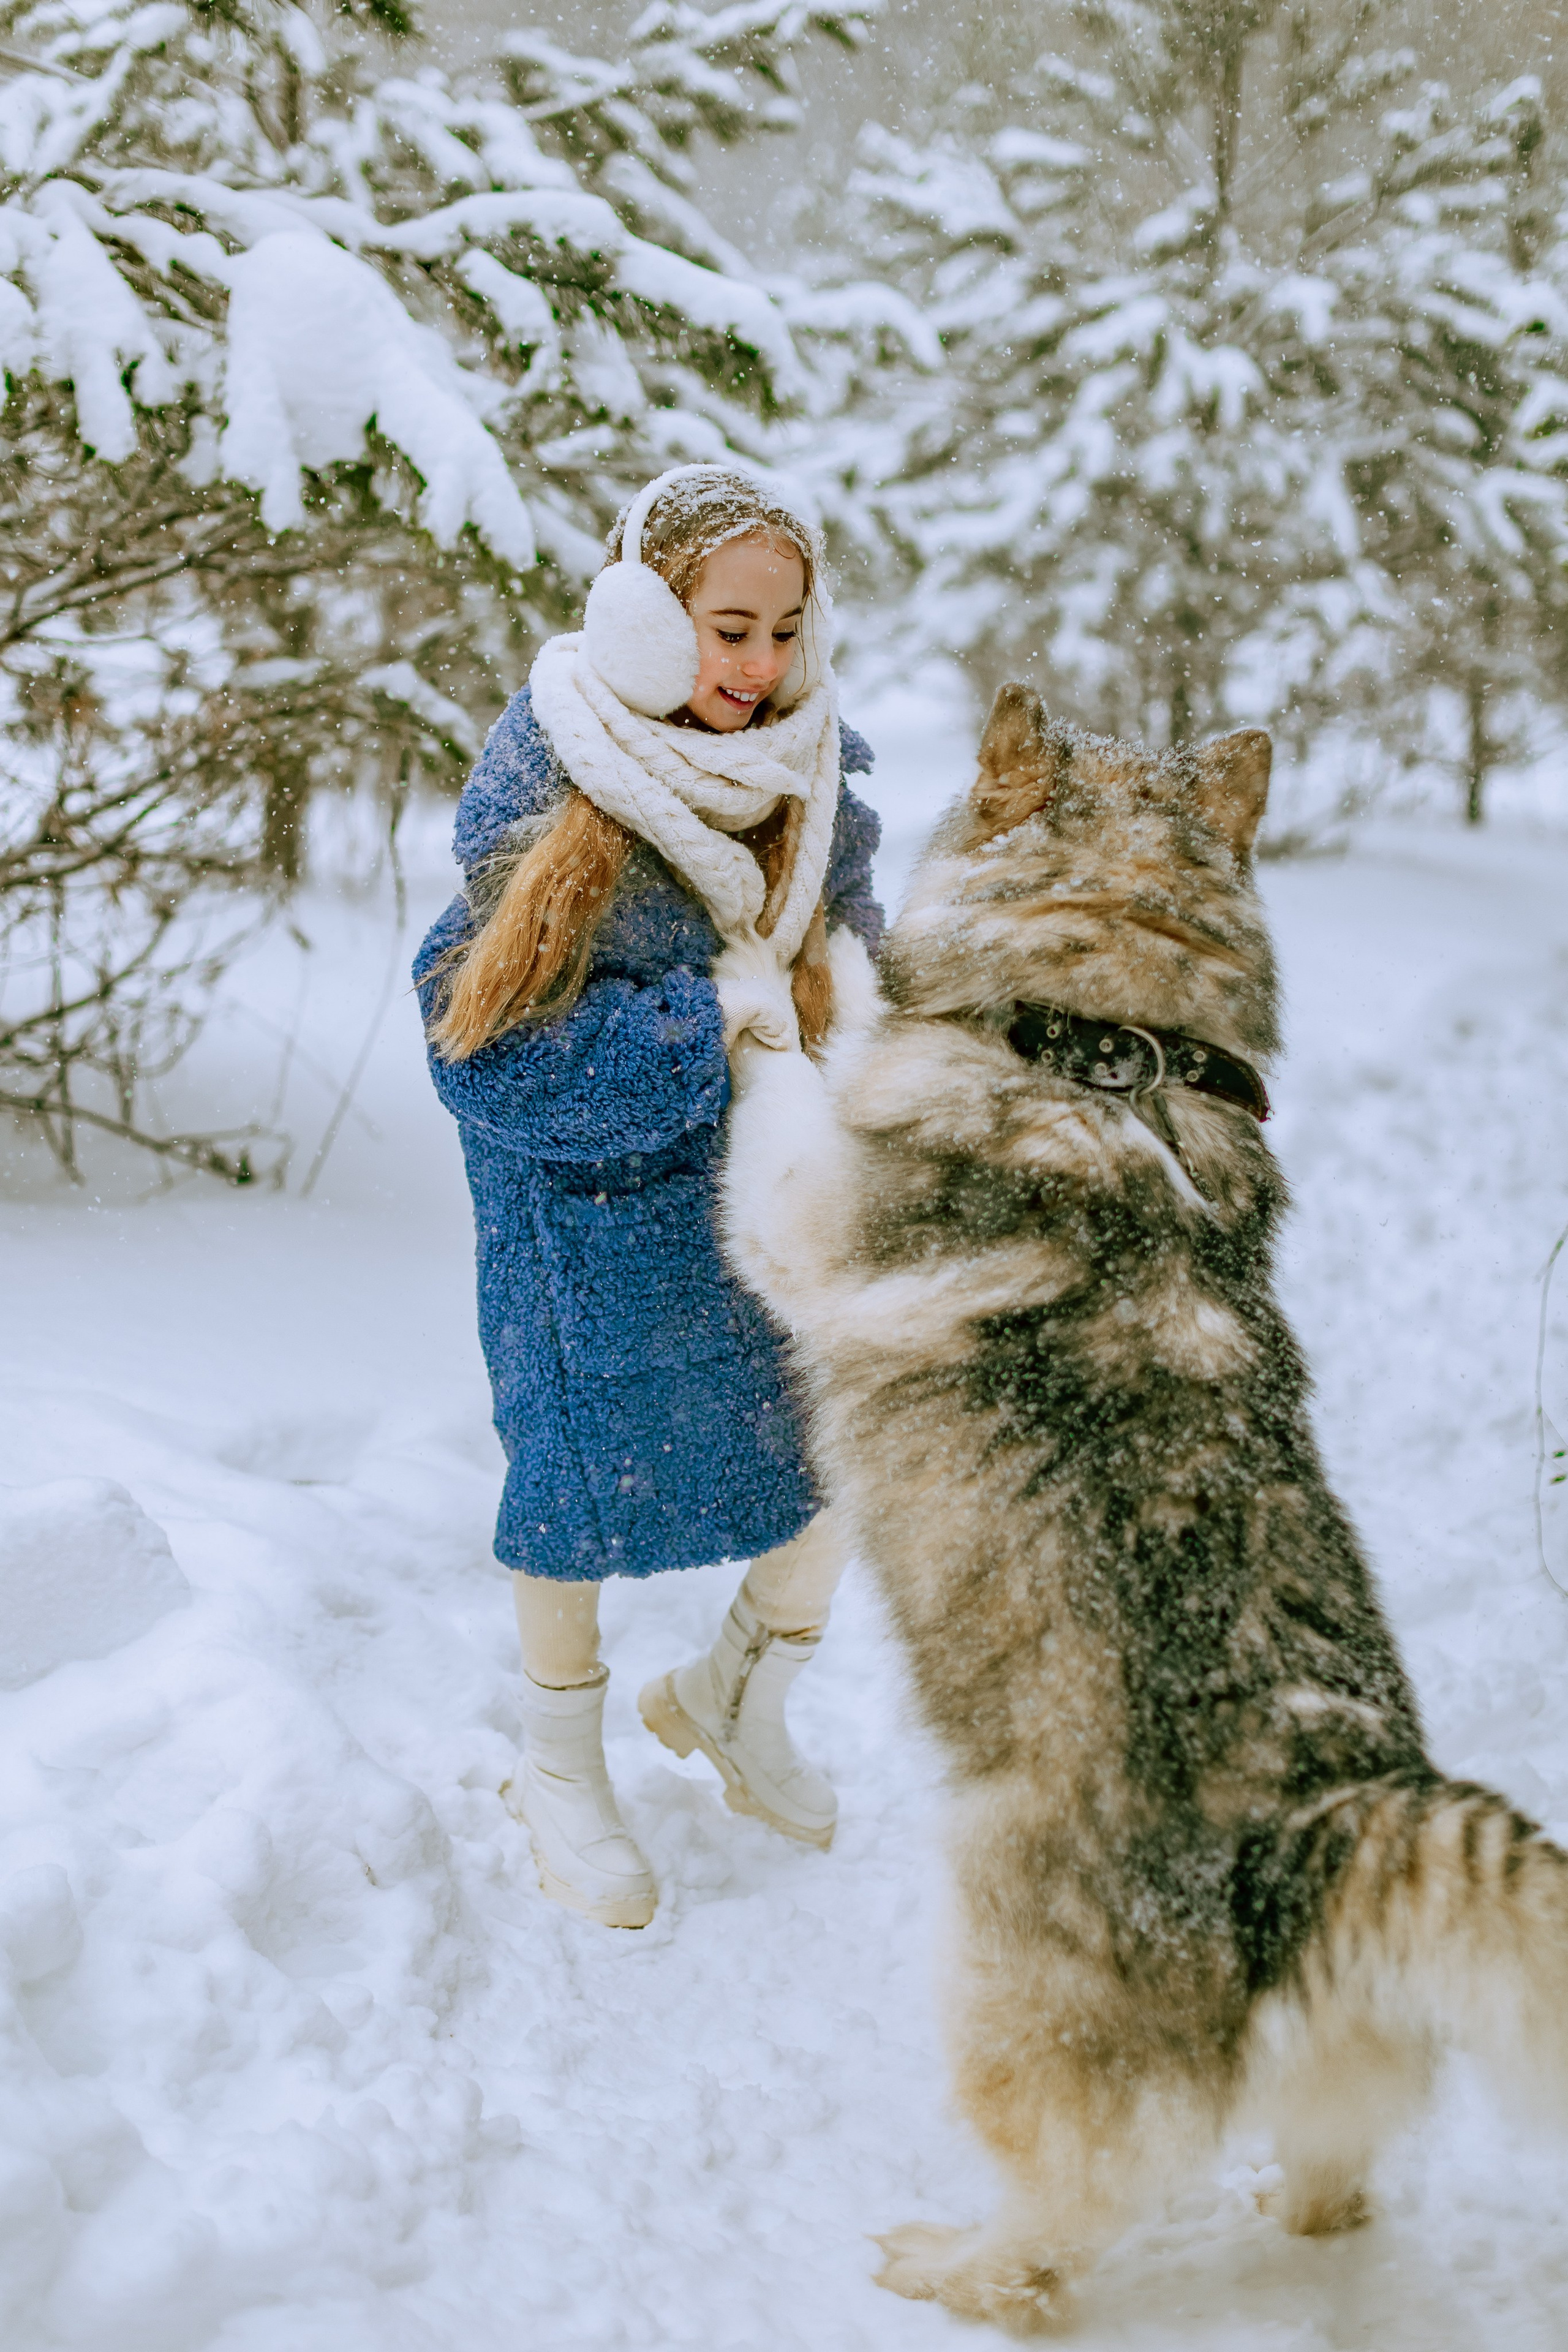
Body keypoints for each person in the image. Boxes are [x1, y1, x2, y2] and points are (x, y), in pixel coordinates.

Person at [414, 464, 883, 1929]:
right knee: (577, 1494)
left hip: (772, 1200)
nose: (756, 667)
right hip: (594, 1218)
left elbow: (853, 950)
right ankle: (558, 1758)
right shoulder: (556, 788)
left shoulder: (810, 778)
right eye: (723, 628)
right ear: (636, 615)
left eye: (783, 631)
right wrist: (710, 1027)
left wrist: (854, 1016)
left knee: (842, 1440)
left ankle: (737, 1691)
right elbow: (478, 1046)